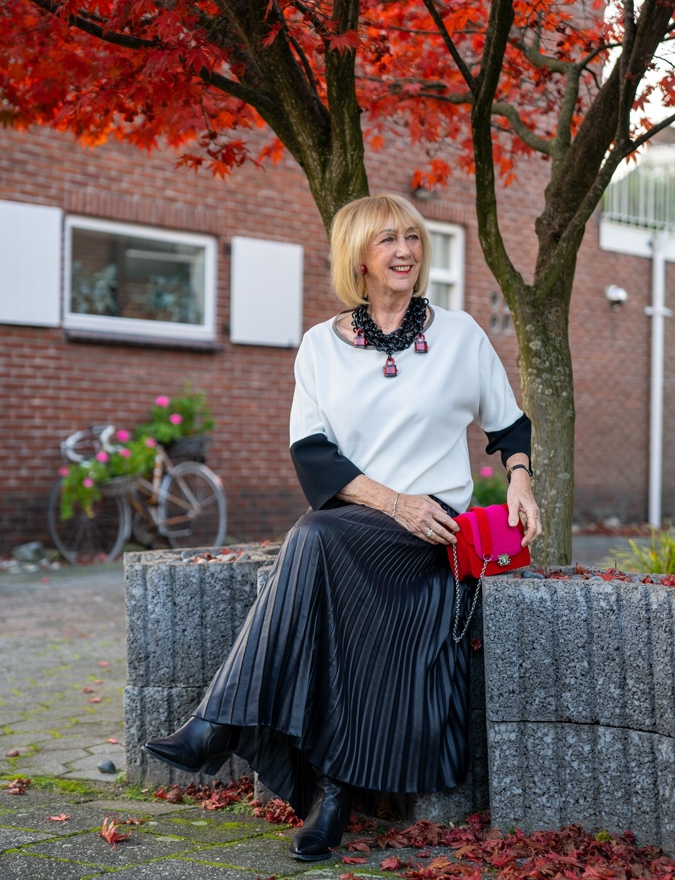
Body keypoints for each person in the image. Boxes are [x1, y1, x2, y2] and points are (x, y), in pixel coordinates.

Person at [144, 193, 541, 861]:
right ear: (357, 256)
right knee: (324, 554)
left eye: (412, 237)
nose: (405, 250)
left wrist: (520, 479)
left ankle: (219, 721)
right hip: (363, 521)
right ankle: (329, 798)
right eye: (387, 239)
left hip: (430, 533)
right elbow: (312, 453)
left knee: (311, 538)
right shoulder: (320, 346)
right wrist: (392, 502)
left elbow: (507, 425)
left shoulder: (459, 334)